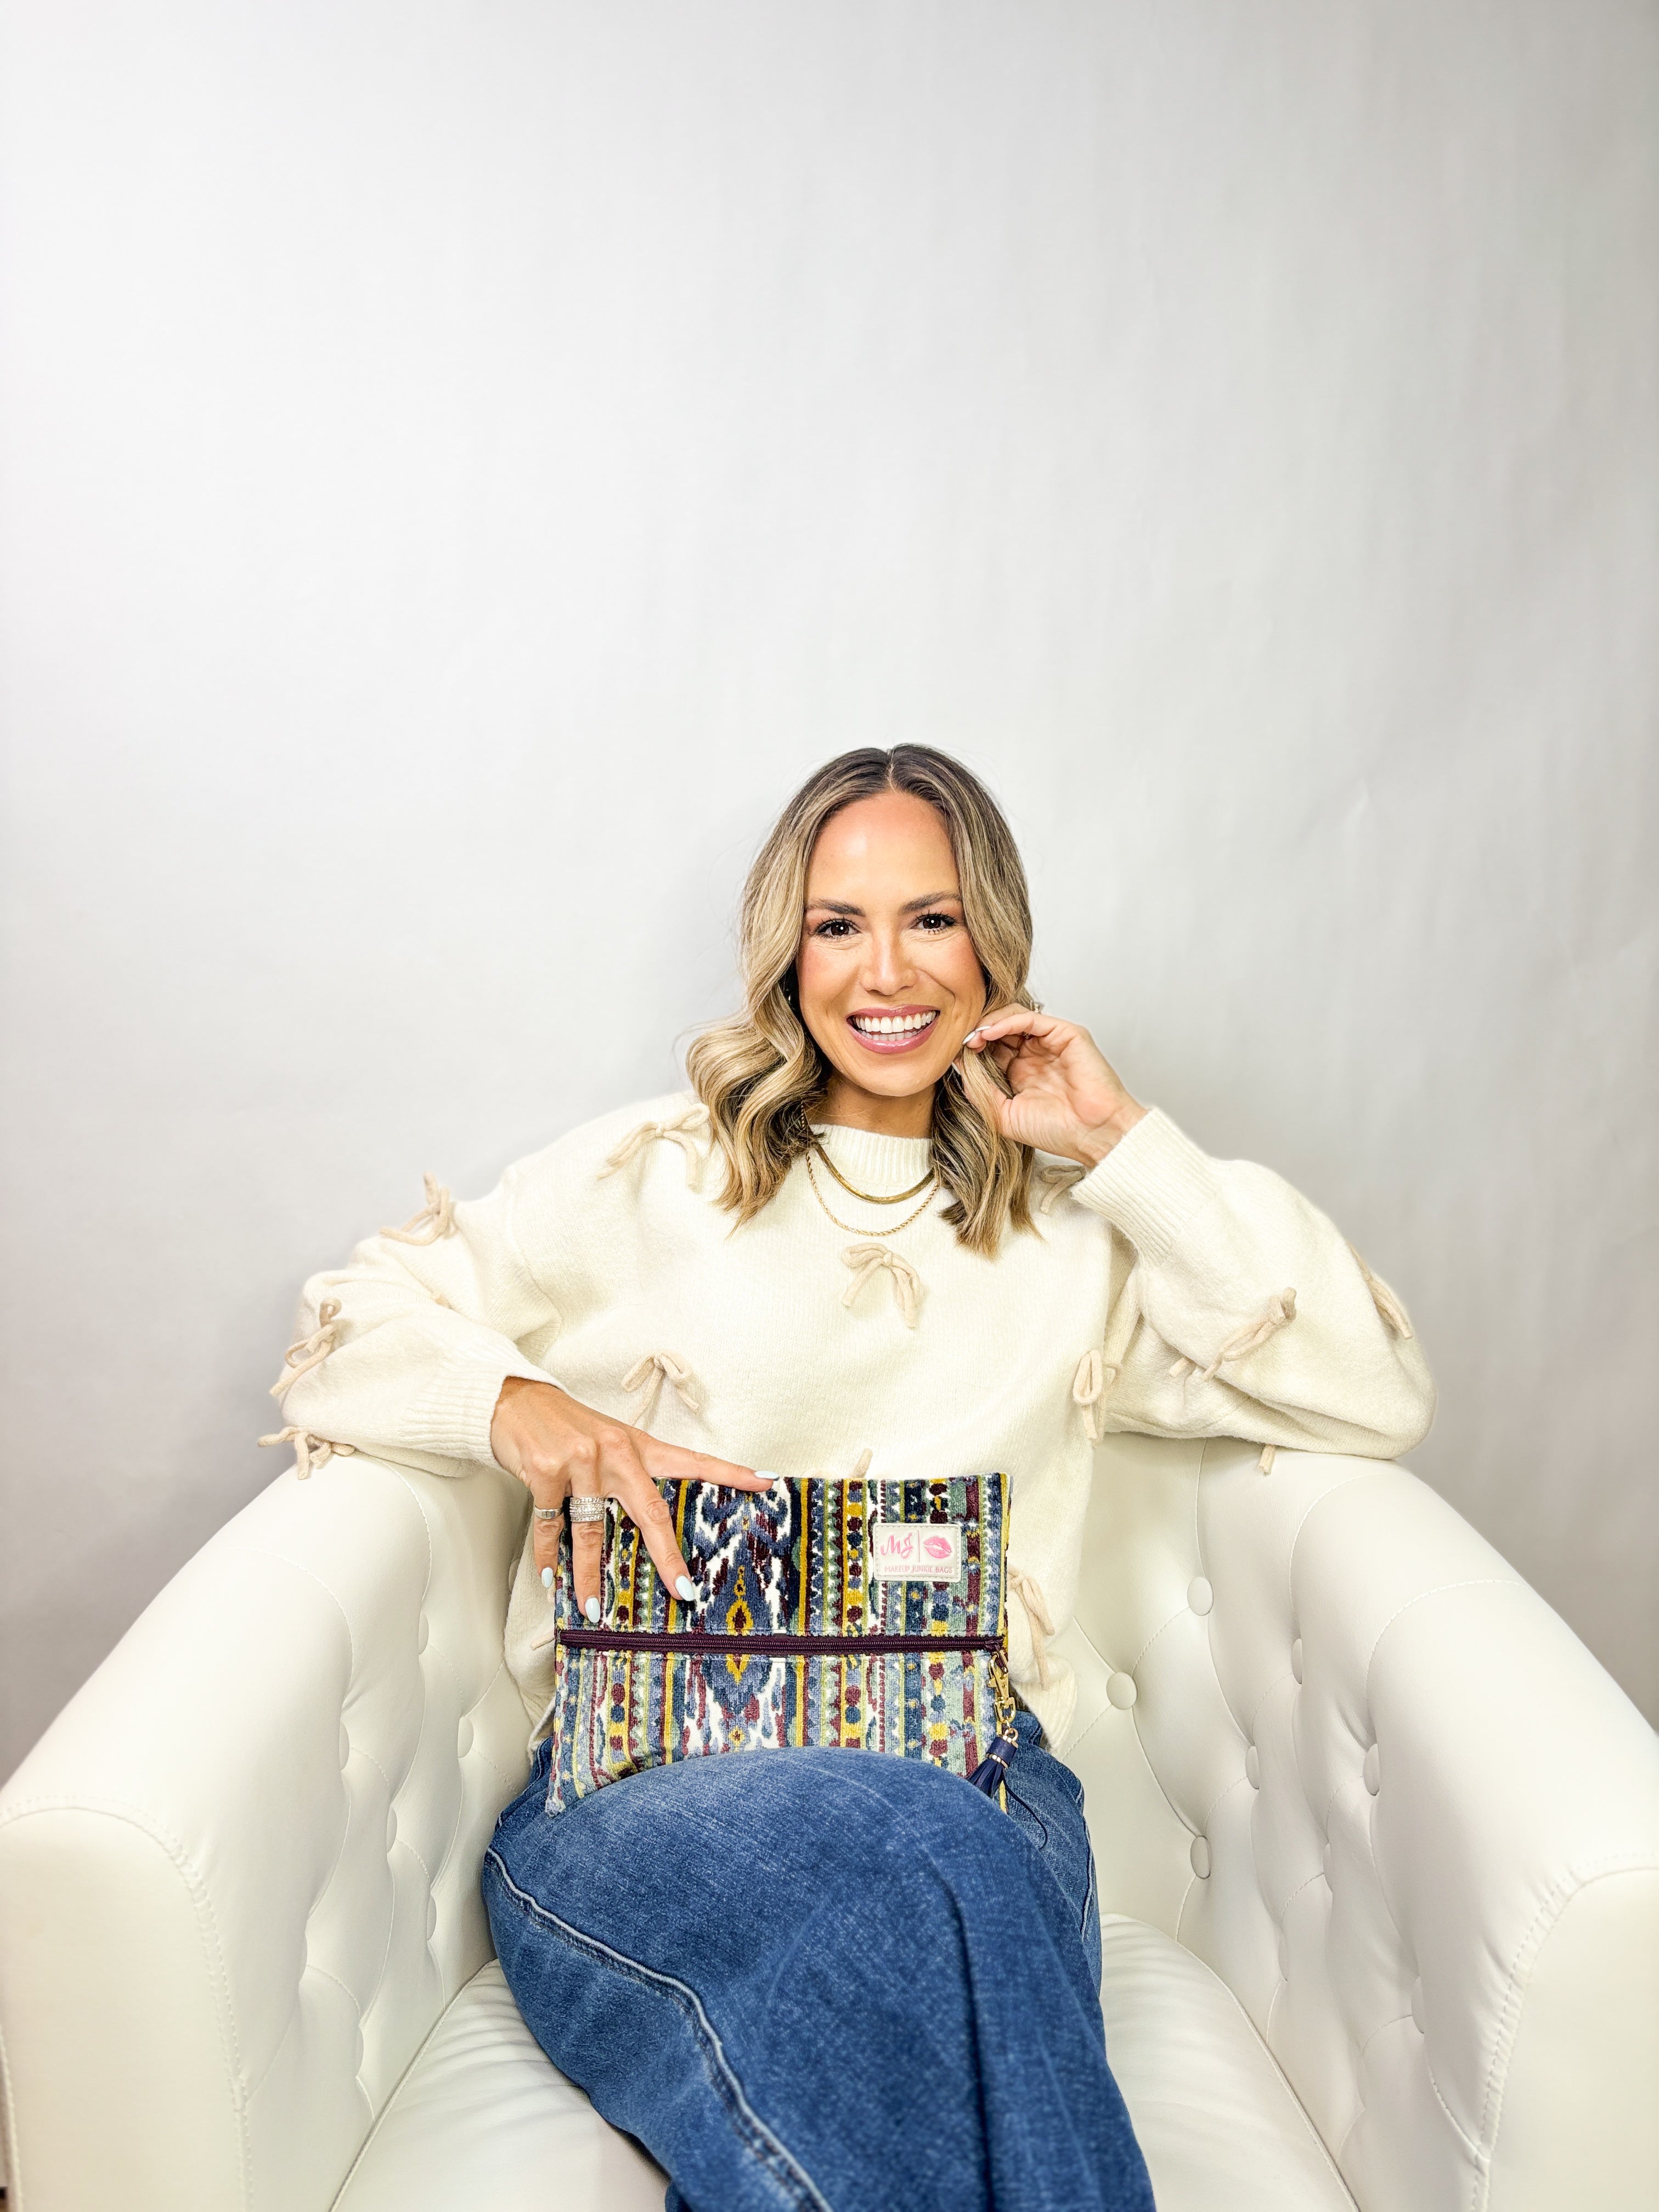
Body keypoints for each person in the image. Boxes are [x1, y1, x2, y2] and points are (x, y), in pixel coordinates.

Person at [273, 746, 1434, 2211]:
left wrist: (1123, 1144)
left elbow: (1370, 1381)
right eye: (839, 924)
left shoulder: (1074, 1242)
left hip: (974, 1781)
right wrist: (525, 1413)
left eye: (932, 919)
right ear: (789, 953)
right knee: (910, 1847)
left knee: (932, 1849)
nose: (886, 969)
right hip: (645, 1796)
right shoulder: (652, 1183)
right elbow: (345, 1326)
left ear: (993, 941)